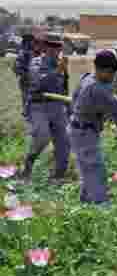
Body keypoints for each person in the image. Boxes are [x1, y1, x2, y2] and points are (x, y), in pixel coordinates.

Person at [69, 49, 117, 204]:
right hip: (84, 133)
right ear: (103, 70)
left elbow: (73, 99)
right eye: (111, 73)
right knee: (96, 171)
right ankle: (103, 208)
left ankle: (86, 203)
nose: (113, 77)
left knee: (88, 170)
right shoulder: (98, 88)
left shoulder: (86, 78)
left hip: (78, 129)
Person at [19, 33, 70, 184]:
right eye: (51, 46)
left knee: (64, 143)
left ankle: (57, 176)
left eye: (57, 46)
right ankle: (28, 164)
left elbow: (64, 87)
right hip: (39, 106)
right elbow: (39, 82)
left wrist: (68, 108)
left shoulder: (61, 64)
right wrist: (57, 71)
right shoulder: (36, 62)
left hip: (57, 107)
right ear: (45, 47)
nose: (55, 50)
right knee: (42, 137)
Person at [13, 32, 35, 125]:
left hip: (31, 80)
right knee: (27, 98)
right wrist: (26, 75)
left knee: (30, 98)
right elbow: (16, 68)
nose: (33, 43)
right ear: (27, 41)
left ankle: (28, 114)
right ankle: (27, 115)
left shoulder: (30, 51)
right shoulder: (23, 53)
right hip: (26, 80)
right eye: (31, 41)